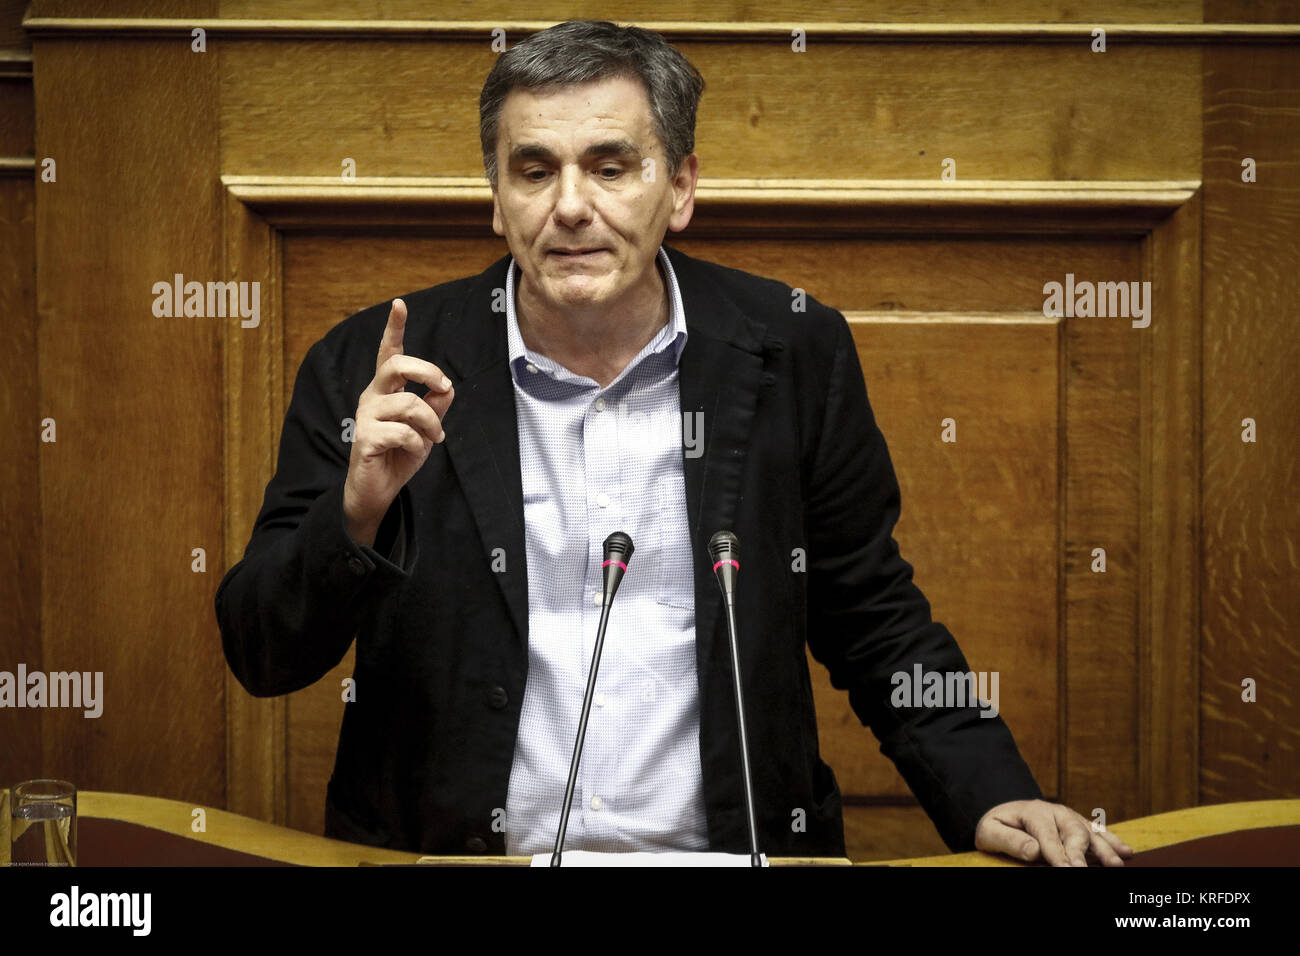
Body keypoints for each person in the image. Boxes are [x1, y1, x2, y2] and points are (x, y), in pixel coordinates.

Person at [216, 19, 1133, 866]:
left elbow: (872, 613)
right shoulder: (382, 365)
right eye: (533, 171)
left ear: (681, 188)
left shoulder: (790, 348)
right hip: (458, 860)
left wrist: (991, 789)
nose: (569, 206)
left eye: (611, 167)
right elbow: (262, 654)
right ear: (496, 198)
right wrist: (358, 512)